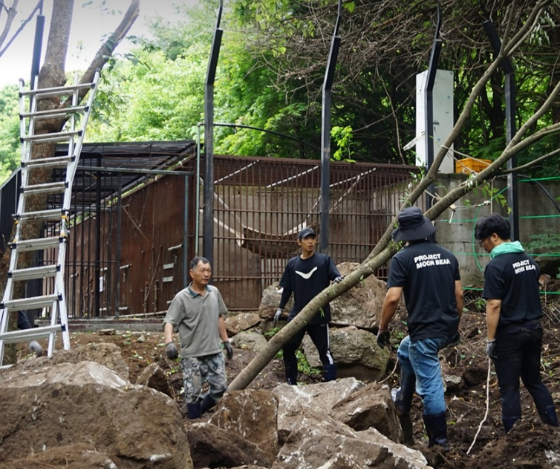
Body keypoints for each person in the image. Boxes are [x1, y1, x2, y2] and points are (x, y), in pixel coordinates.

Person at [377, 207, 463, 449]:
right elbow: (459, 294)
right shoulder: (448, 256)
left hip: (425, 335)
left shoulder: (402, 259)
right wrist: (454, 323)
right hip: (446, 329)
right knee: (406, 349)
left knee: (431, 385)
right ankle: (403, 399)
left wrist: (383, 328)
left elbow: (392, 298)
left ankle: (439, 442)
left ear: (405, 234)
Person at [475, 213, 558, 433]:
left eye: (482, 240)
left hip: (510, 335)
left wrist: (491, 339)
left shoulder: (496, 266)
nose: (482, 246)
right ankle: (553, 428)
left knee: (509, 388)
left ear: (493, 237)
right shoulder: (528, 261)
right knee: (534, 382)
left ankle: (512, 438)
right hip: (534, 329)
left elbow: (494, 305)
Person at [163, 256, 233, 419]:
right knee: (192, 393)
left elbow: (219, 317)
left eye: (209, 270)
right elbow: (169, 321)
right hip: (192, 355)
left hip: (214, 351)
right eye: (202, 270)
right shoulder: (181, 298)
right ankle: (193, 423)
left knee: (220, 387)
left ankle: (199, 413)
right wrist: (169, 343)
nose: (206, 274)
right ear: (192, 273)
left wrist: (226, 341)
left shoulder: (214, 292)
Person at [274, 227, 343, 385]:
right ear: (299, 242)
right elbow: (287, 288)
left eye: (312, 238)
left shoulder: (324, 260)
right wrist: (280, 308)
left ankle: (331, 386)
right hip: (298, 314)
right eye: (306, 238)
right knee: (288, 347)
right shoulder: (293, 264)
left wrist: (338, 279)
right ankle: (292, 384)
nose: (311, 241)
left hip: (319, 314)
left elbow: (336, 276)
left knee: (324, 352)